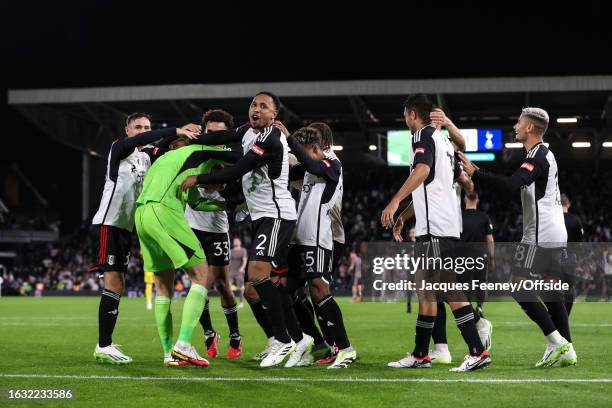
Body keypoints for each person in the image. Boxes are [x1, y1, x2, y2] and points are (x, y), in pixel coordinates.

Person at [181, 92, 307, 368]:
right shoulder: (248, 132)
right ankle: (297, 340)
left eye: (263, 106)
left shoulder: (271, 139)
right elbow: (218, 138)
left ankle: (285, 339)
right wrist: (191, 136)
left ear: (274, 116)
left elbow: (237, 169)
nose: (256, 109)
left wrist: (198, 177)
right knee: (256, 287)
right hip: (263, 218)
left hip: (277, 215)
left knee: (257, 277)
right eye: (253, 105)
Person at [382, 94, 491, 372]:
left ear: (411, 113)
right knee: (429, 287)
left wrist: (395, 201)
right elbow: (431, 187)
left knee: (439, 286)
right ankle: (422, 353)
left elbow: (422, 171)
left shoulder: (421, 136)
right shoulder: (443, 141)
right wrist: (405, 217)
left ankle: (474, 351)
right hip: (445, 225)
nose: (405, 119)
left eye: (405, 114)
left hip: (435, 229)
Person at [460, 107, 576, 367]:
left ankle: (558, 342)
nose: (515, 126)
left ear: (530, 128)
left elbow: (513, 186)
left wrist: (477, 173)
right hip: (554, 230)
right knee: (549, 293)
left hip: (541, 233)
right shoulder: (544, 154)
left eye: (519, 122)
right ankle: (565, 347)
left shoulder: (538, 155)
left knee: (516, 283)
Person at [91, 113, 199, 364]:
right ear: (127, 130)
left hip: (126, 228)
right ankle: (103, 345)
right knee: (113, 284)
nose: (143, 131)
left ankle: (105, 344)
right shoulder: (119, 148)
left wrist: (182, 134)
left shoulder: (145, 157)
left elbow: (163, 146)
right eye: (138, 127)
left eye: (147, 127)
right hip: (109, 224)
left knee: (118, 285)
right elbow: (153, 139)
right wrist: (175, 128)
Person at [284, 126, 357, 368]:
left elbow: (314, 166)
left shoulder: (331, 164)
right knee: (287, 289)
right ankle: (313, 343)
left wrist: (291, 142)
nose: (302, 158)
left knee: (319, 289)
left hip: (318, 237)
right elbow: (291, 170)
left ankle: (344, 348)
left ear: (317, 147)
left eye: (305, 152)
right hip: (299, 236)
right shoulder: (308, 166)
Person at [186, 109, 242, 360]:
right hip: (192, 226)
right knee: (198, 284)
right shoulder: (193, 153)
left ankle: (235, 335)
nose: (214, 136)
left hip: (218, 228)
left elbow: (236, 196)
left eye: (220, 133)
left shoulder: (236, 157)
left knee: (221, 283)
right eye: (210, 132)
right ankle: (209, 333)